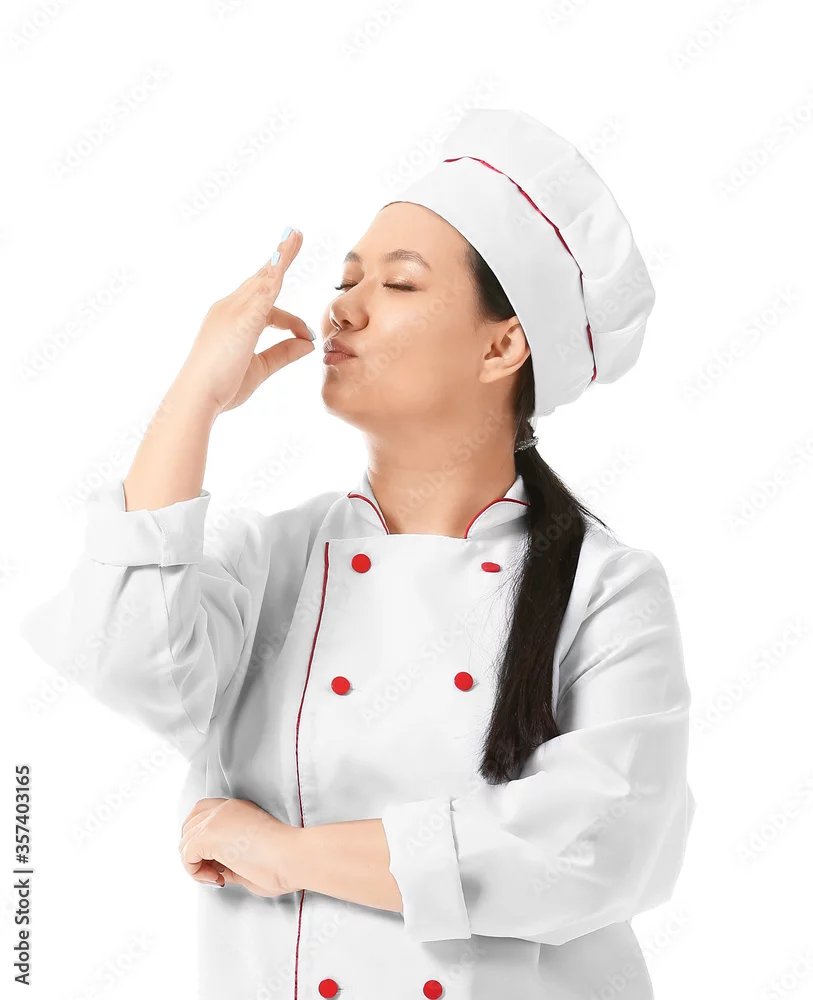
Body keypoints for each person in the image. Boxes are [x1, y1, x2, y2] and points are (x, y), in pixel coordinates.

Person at [21, 109, 695, 1000]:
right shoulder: (269, 561)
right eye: (345, 278)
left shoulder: (604, 588)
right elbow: (125, 656)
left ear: (502, 344)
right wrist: (195, 397)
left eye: (399, 283)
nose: (341, 304)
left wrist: (286, 854)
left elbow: (594, 850)